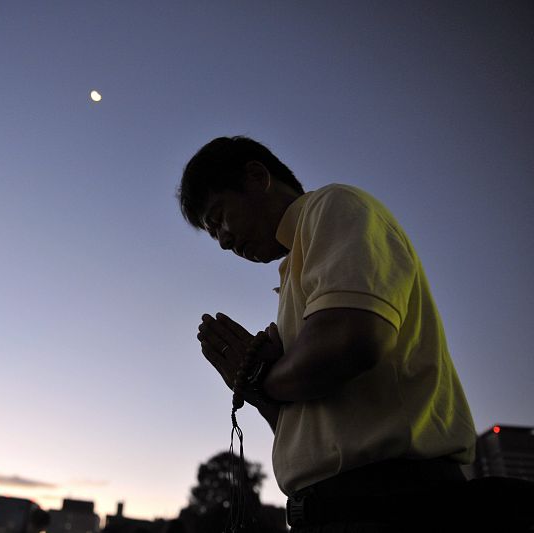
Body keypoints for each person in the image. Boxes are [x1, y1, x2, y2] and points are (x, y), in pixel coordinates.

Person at [180, 136, 478, 531]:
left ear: (256, 177)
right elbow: (307, 426)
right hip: (330, 510)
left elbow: (350, 342)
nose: (224, 241)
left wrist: (263, 378)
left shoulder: (333, 206)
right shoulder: (294, 273)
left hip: (393, 504)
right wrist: (257, 393)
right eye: (212, 231)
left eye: (219, 217)